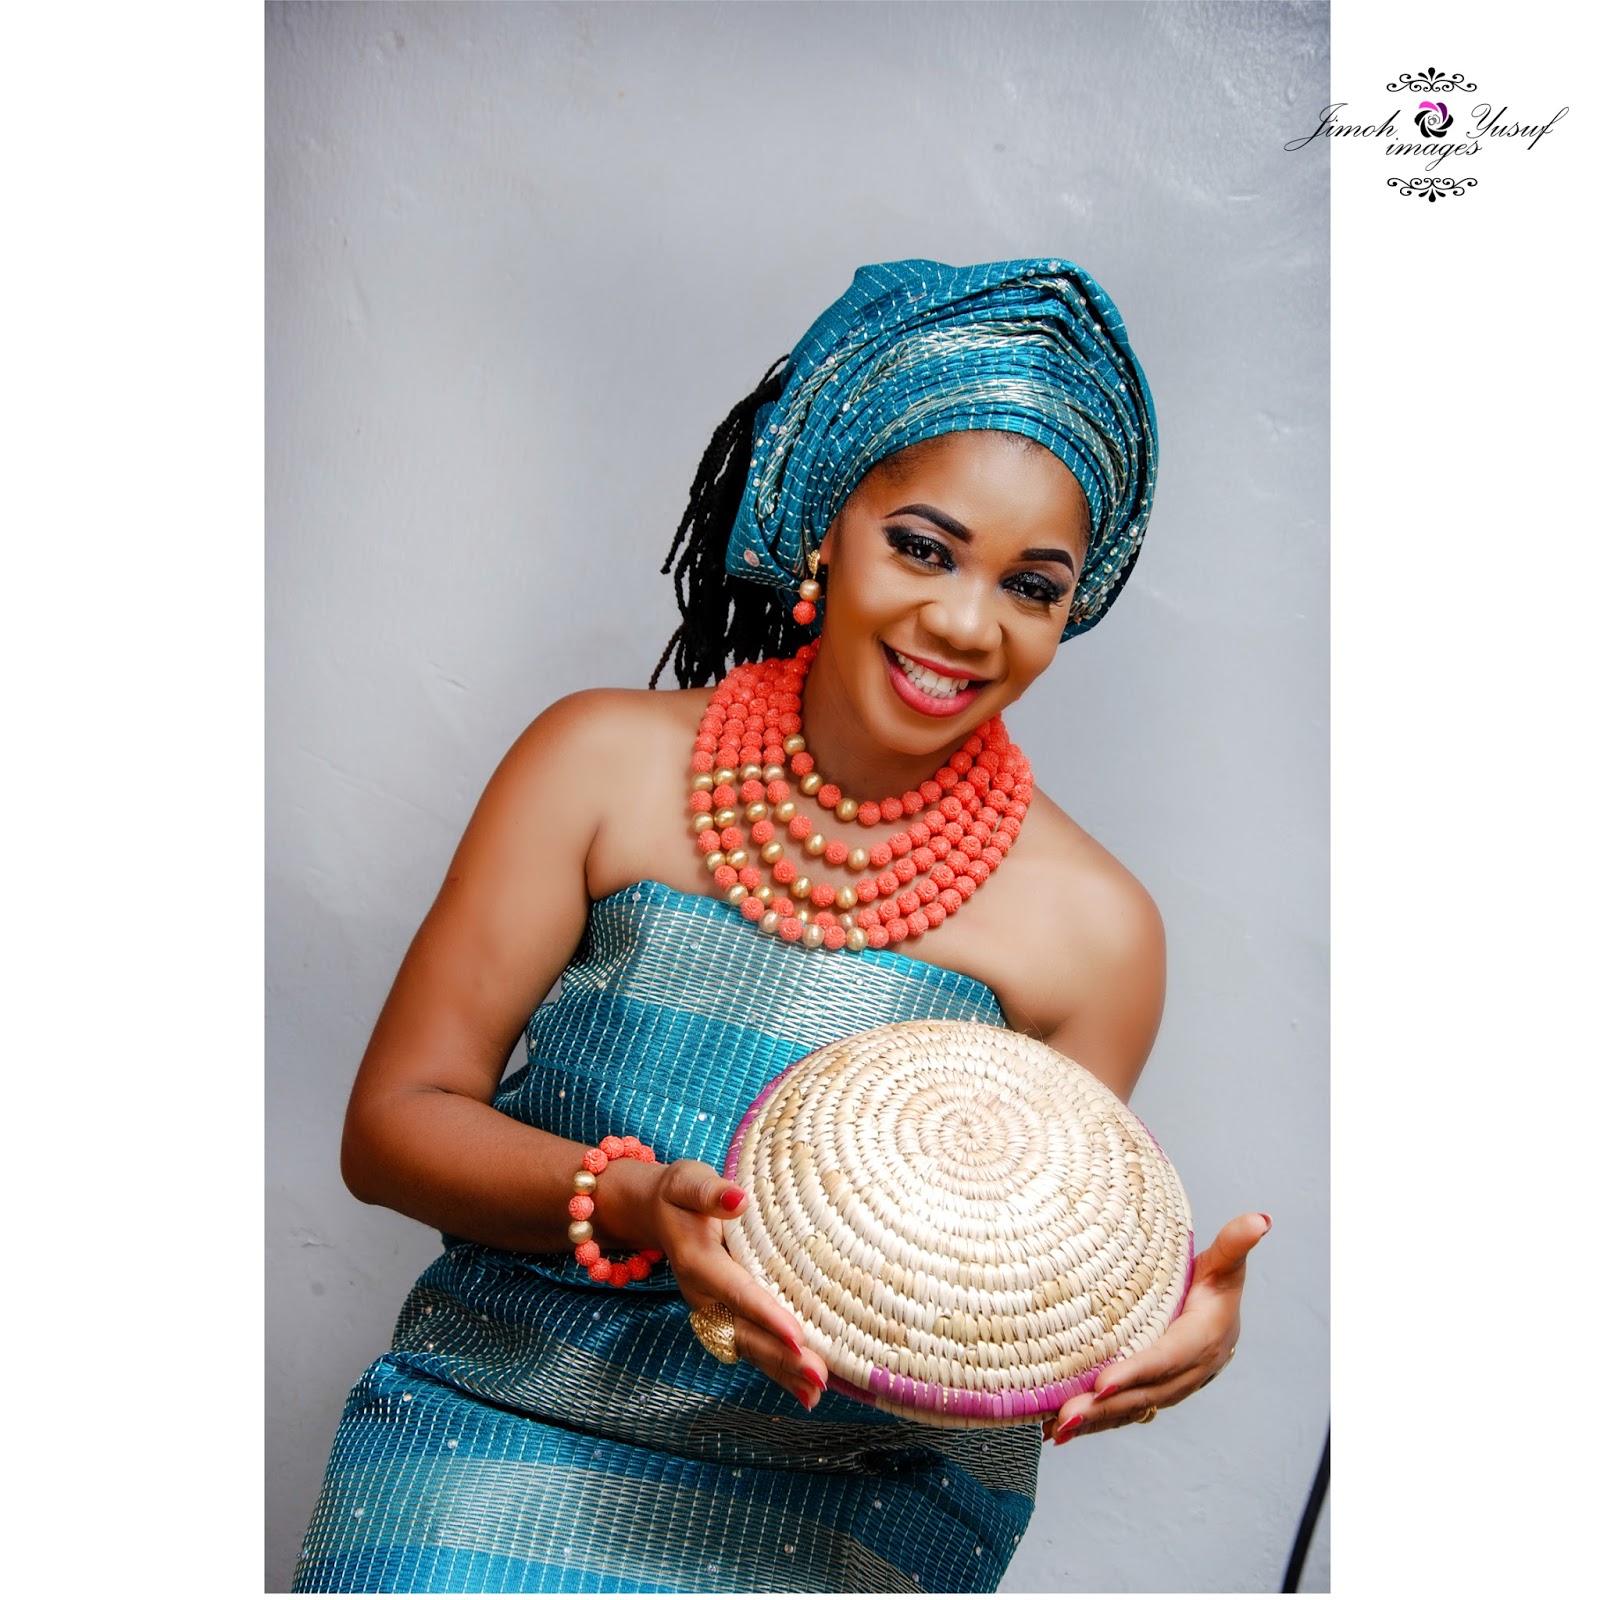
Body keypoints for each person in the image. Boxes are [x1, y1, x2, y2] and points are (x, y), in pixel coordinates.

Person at [291, 258, 1269, 1594]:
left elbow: (996, 1307)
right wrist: (634, 1204)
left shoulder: (1096, 932)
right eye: (922, 547)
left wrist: (1152, 1329)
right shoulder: (596, 765)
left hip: (846, 1503)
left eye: (1032, 587)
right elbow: (394, 1126)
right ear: (821, 526)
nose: (964, 622)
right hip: (497, 1433)